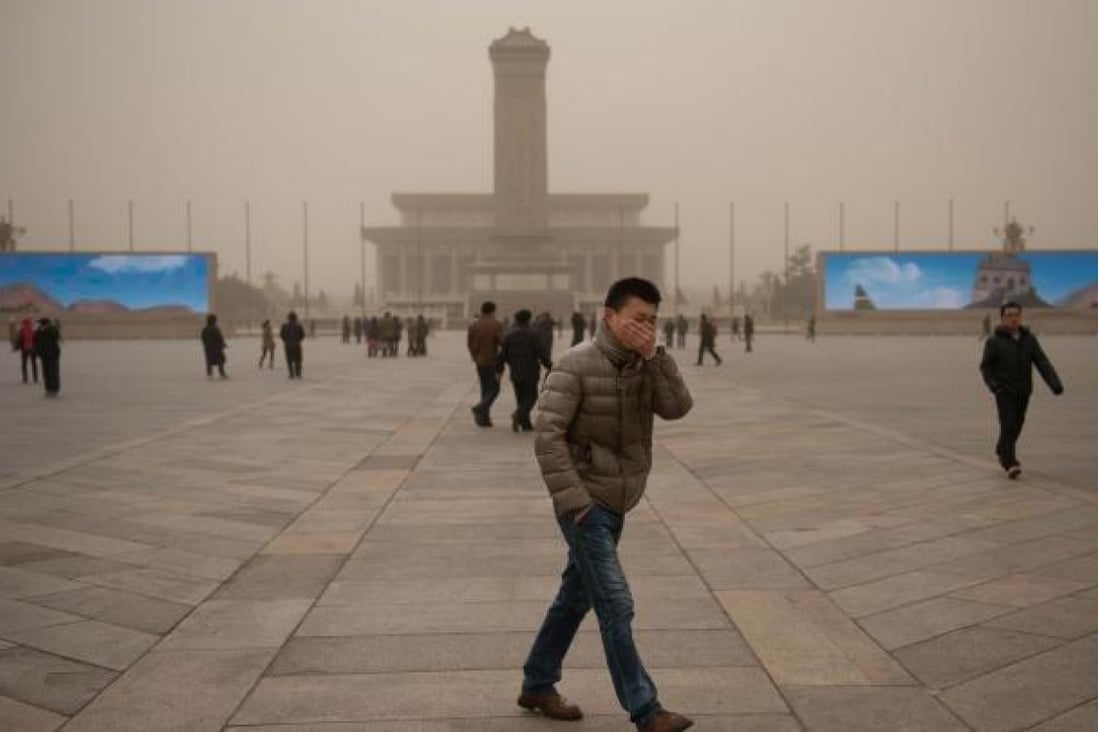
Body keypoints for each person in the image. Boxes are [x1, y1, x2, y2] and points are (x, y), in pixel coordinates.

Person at [519, 277, 694, 732]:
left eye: (652, 321)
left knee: (574, 597)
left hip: (619, 498)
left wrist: (657, 358)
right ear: (609, 316)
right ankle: (646, 710)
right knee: (615, 603)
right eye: (638, 319)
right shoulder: (575, 364)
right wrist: (576, 502)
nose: (645, 328)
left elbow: (677, 407)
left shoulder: (644, 364)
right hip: (585, 504)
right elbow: (548, 435)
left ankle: (537, 682)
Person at [979, 301, 1063, 479]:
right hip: (1004, 391)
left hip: (1024, 391)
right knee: (1008, 425)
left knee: (1018, 424)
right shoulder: (994, 341)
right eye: (1009, 315)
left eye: (1016, 314)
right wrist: (994, 386)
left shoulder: (1029, 339)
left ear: (1020, 317)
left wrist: (1054, 383)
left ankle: (1002, 447)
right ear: (1002, 318)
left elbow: (1042, 361)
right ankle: (1009, 462)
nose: (1013, 318)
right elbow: (986, 367)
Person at [497, 309, 552, 432]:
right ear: (529, 320)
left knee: (521, 397)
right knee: (531, 397)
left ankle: (525, 423)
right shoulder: (533, 335)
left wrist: (499, 370)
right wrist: (550, 366)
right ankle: (518, 415)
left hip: (515, 371)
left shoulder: (509, 335)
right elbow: (542, 353)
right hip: (530, 371)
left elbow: (502, 355)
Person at [467, 300, 503, 427]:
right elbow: (502, 342)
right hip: (491, 361)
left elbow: (470, 344)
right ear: (493, 311)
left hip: (479, 361)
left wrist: (475, 357)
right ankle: (479, 408)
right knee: (495, 389)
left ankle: (483, 418)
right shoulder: (496, 324)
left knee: (485, 388)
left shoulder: (473, 325)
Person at [33, 317, 61, 397]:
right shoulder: (49, 330)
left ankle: (50, 390)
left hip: (47, 354)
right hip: (51, 354)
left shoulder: (39, 331)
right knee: (52, 372)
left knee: (48, 373)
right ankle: (53, 390)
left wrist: (38, 353)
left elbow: (35, 343)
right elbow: (57, 337)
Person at [201, 314, 228, 379]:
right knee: (220, 361)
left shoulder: (205, 329)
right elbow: (219, 338)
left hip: (208, 348)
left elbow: (203, 338)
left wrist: (206, 345)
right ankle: (222, 373)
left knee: (209, 361)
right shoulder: (215, 328)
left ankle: (209, 373)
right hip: (216, 348)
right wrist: (223, 344)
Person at [280, 311, 306, 379]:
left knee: (289, 360)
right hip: (297, 345)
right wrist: (298, 340)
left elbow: (282, 335)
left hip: (288, 345)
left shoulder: (284, 326)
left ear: (288, 318)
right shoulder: (299, 325)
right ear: (296, 318)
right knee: (298, 359)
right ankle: (298, 373)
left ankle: (291, 373)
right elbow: (302, 335)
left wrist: (286, 340)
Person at [17, 317, 38, 384]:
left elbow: (18, 339)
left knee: (24, 364)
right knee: (34, 364)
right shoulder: (33, 330)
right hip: (33, 349)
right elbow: (36, 340)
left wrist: (18, 347)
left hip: (24, 349)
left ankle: (25, 378)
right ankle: (35, 378)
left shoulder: (22, 330)